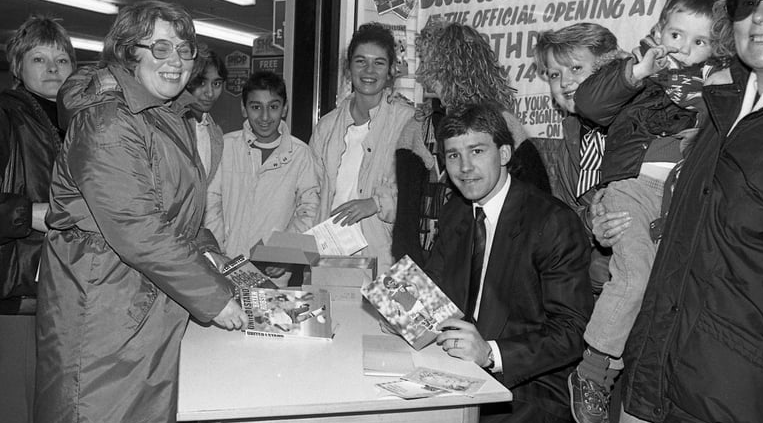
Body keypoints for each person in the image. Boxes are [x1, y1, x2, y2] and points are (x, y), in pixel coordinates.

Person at [602, 0, 763, 423]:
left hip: (742, 414)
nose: (762, 16)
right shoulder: (718, 102)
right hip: (652, 389)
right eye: (747, 2)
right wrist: (605, 215)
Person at [34, 0, 248, 423]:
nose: (176, 62)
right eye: (161, 48)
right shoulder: (109, 121)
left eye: (185, 49)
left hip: (141, 302)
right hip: (104, 310)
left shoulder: (162, 114)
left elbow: (178, 216)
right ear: (130, 52)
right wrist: (216, 297)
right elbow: (138, 226)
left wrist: (222, 264)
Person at [564, 0, 728, 423]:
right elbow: (590, 105)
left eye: (700, 43)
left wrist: (714, 88)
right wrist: (637, 71)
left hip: (678, 199)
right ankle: (593, 371)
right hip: (631, 190)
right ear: (659, 31)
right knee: (634, 277)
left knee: (656, 291)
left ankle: (617, 371)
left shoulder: (715, 85)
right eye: (676, 35)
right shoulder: (638, 76)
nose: (684, 49)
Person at [424, 103, 593, 423]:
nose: (465, 167)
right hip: (458, 370)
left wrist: (491, 355)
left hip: (532, 387)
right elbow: (433, 287)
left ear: (504, 153)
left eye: (476, 151)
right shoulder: (456, 209)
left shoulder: (551, 222)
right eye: (453, 155)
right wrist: (404, 309)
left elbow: (572, 332)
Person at [393, 21, 550, 267]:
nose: (421, 74)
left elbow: (538, 202)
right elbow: (405, 218)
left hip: (490, 264)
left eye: (428, 63)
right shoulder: (418, 126)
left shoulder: (504, 125)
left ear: (450, 66)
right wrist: (405, 270)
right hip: (429, 267)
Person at [0, 14, 75, 423]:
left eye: (62, 59)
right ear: (18, 67)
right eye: (39, 58)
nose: (52, 69)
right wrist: (26, 213)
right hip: (18, 294)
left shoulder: (76, 124)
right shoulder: (7, 117)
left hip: (63, 294)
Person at [310, 22, 415, 275]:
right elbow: (309, 193)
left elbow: (419, 196)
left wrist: (376, 203)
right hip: (330, 259)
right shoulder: (326, 127)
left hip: (388, 261)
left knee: (387, 317)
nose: (369, 70)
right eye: (360, 61)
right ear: (349, 68)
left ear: (391, 69)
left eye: (379, 62)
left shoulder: (408, 121)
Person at [533, 23, 626, 294]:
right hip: (587, 287)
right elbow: (565, 220)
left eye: (576, 69)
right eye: (554, 74)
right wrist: (588, 221)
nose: (564, 82)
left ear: (608, 70)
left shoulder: (637, 125)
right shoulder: (573, 134)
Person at [205, 70, 320, 267]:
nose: (265, 116)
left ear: (284, 109)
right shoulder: (225, 147)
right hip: (225, 263)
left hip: (275, 267)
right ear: (243, 108)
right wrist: (218, 251)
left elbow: (309, 211)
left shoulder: (300, 154)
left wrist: (282, 254)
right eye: (256, 107)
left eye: (273, 107)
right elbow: (211, 202)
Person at [186, 47, 227, 183]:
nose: (209, 93)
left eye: (216, 83)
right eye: (201, 82)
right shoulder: (169, 126)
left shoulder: (216, 135)